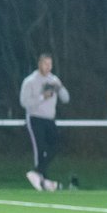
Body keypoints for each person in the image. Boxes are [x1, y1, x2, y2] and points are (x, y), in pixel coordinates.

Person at [19, 53, 70, 191]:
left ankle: (37, 173)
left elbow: (66, 99)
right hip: (35, 118)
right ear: (39, 64)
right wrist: (42, 97)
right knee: (40, 150)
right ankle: (43, 180)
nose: (48, 67)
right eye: (45, 64)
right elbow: (24, 102)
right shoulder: (30, 81)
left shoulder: (54, 80)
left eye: (50, 64)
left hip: (49, 119)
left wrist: (59, 87)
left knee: (56, 146)